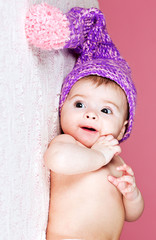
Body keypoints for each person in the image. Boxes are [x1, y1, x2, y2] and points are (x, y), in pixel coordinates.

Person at [26, 4, 144, 240]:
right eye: (79, 105)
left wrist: (132, 195)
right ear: (62, 110)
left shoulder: (115, 160)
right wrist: (98, 157)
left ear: (122, 129)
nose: (91, 114)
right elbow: (56, 160)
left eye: (105, 110)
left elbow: (132, 215)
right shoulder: (68, 143)